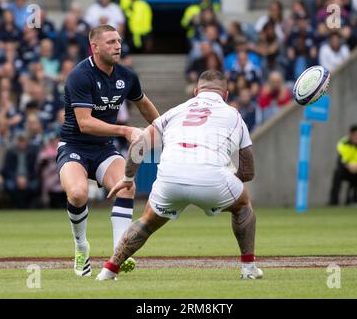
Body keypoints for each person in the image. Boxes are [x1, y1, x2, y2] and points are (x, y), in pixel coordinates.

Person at [96, 70, 263, 281]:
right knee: (243, 205)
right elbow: (248, 172)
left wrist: (128, 178)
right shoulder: (234, 115)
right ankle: (249, 269)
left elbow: (140, 145)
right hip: (211, 176)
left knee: (147, 221)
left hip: (170, 176)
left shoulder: (175, 111)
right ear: (226, 95)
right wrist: (223, 180)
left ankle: (108, 270)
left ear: (196, 92)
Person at [56, 25, 159, 277]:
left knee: (127, 186)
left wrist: (164, 127)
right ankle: (81, 248)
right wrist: (124, 131)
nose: (117, 46)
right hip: (74, 146)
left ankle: (119, 253)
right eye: (111, 41)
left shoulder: (126, 76)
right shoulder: (80, 75)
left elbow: (144, 105)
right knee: (78, 194)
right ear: (95, 47)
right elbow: (85, 123)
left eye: (119, 41)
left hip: (103, 149)